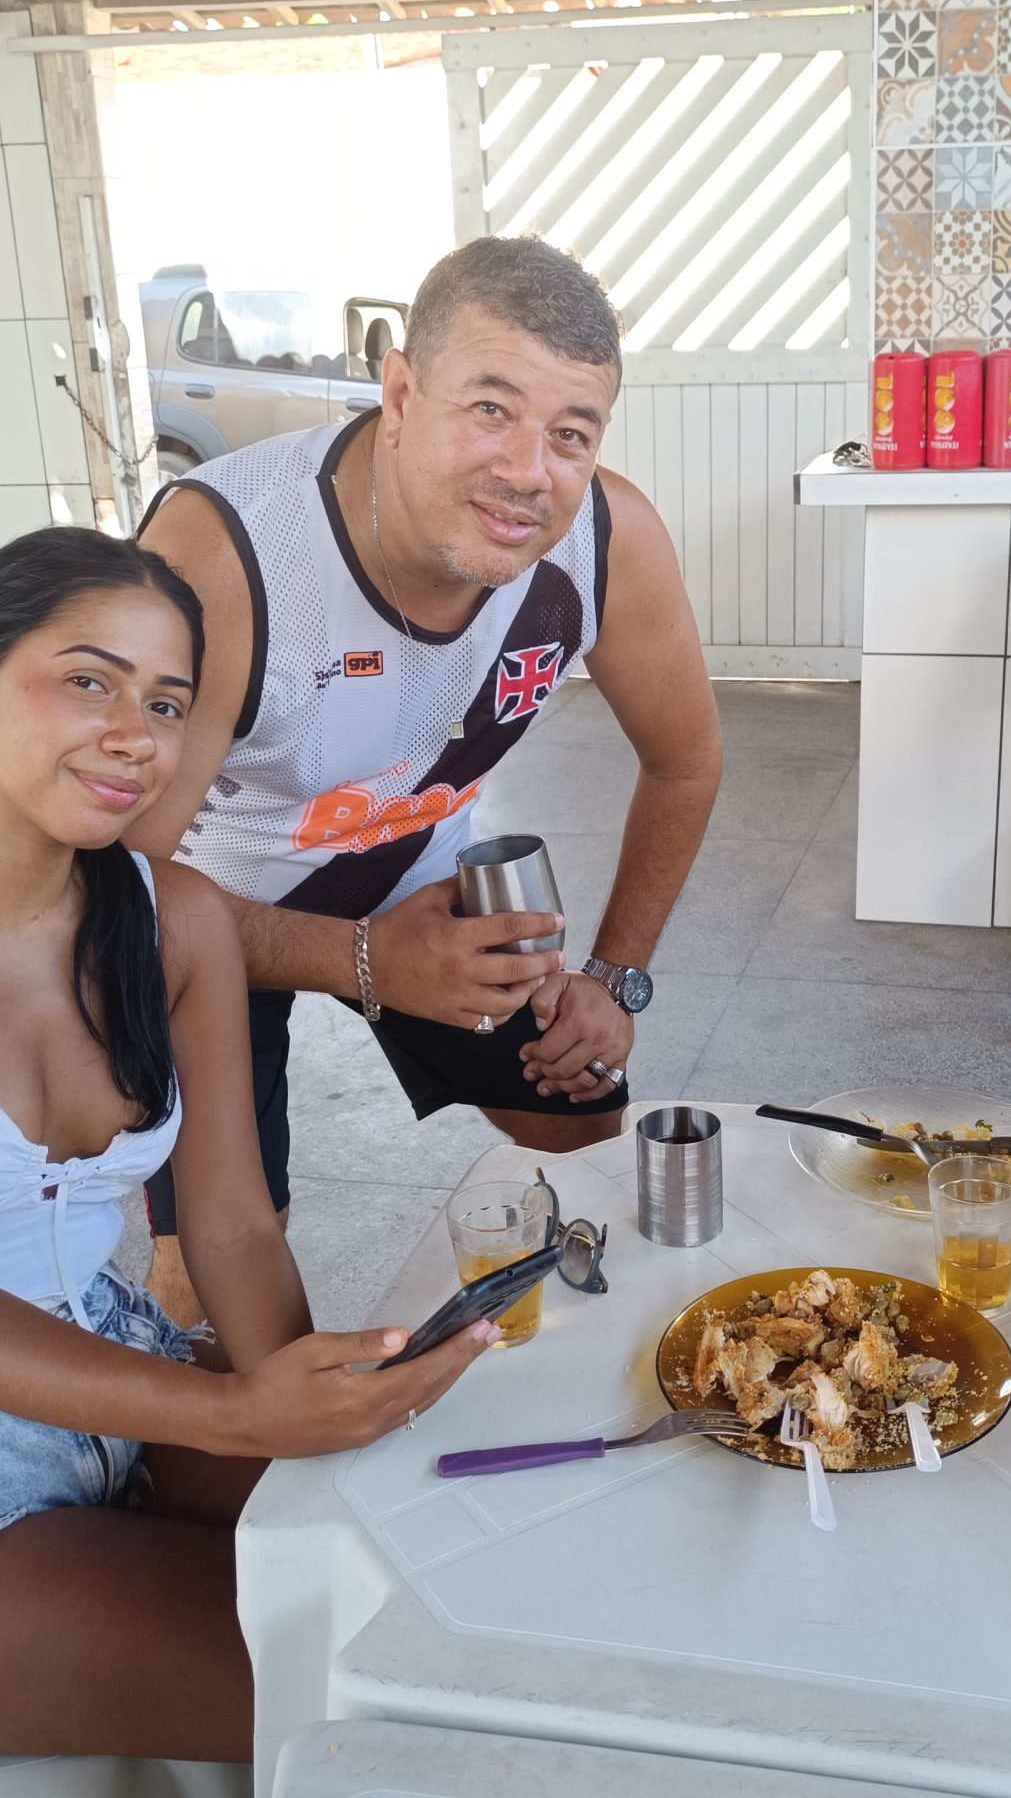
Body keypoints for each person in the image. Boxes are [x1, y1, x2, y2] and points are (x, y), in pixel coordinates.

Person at [0, 529, 494, 1761]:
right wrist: (240, 1416)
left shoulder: (172, 916)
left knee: (456, 1583)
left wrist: (310, 1415)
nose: (136, 735)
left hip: (119, 1384)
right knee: (379, 1699)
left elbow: (232, 1226)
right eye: (89, 681)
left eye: (168, 703)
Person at [127, 235, 722, 1321]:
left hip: (416, 868)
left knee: (584, 1122)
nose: (528, 472)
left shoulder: (606, 537)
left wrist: (613, 978)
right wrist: (363, 961)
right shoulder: (227, 551)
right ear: (399, 392)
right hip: (206, 901)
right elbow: (112, 890)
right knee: (218, 1264)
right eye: (490, 408)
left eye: (571, 432)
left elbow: (686, 761)